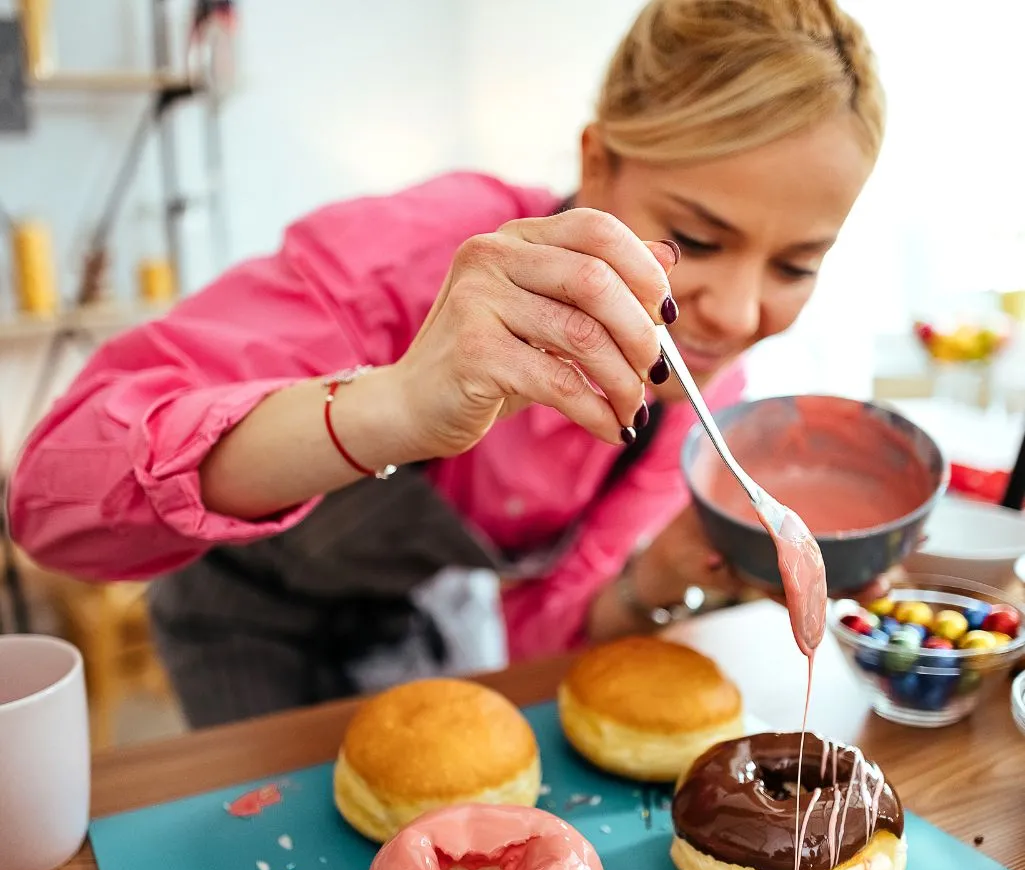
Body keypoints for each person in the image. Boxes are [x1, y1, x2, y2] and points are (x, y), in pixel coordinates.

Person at [7, 0, 885, 728]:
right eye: (694, 239)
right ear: (593, 160)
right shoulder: (417, 256)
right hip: (250, 628)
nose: (734, 313)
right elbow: (50, 501)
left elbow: (538, 637)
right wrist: (393, 405)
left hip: (433, 632)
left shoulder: (697, 395)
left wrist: (656, 581)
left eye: (794, 264)